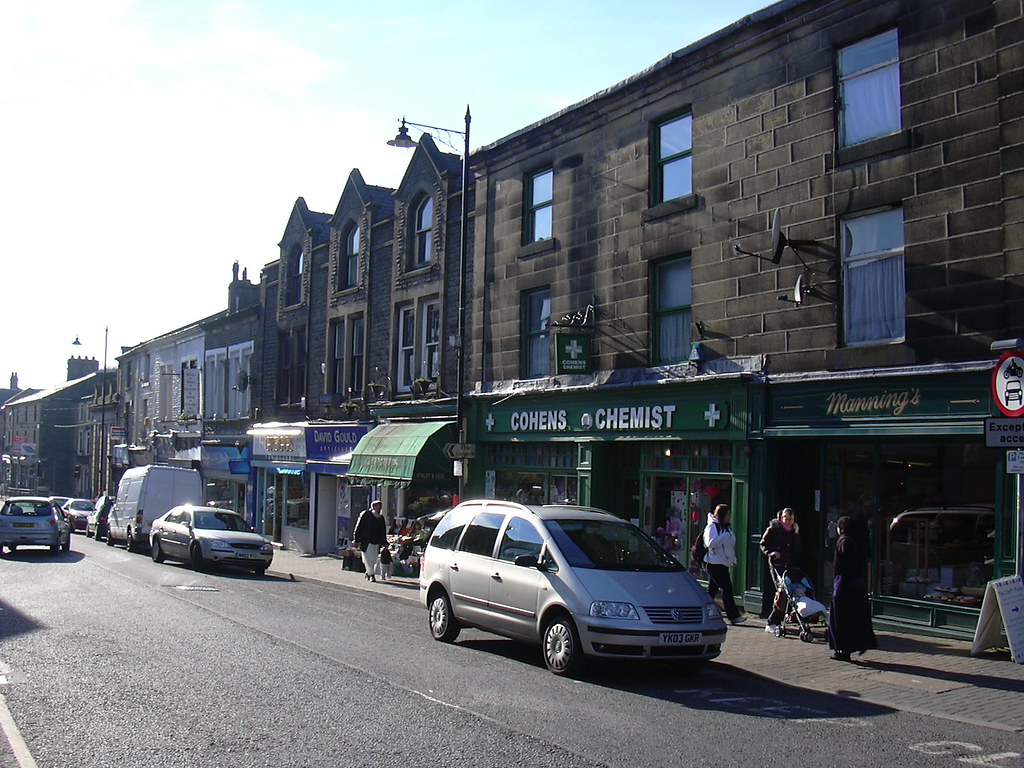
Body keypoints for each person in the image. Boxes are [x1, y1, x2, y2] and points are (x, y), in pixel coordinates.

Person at [827, 515, 878, 661]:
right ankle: (852, 646)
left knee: (840, 619)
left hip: (844, 585)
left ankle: (842, 650)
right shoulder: (857, 540)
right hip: (856, 586)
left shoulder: (844, 541)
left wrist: (839, 587)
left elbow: (844, 566)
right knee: (853, 618)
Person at [760, 507, 802, 634]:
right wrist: (771, 553)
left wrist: (796, 533)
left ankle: (783, 619)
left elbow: (798, 549)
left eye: (791, 519)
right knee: (782, 590)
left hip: (788, 564)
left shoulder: (793, 531)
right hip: (776, 564)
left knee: (792, 590)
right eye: (786, 519)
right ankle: (771, 621)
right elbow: (763, 543)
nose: (788, 522)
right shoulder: (774, 529)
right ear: (781, 518)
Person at [704, 503, 746, 625]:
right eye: (728, 514)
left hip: (723, 564)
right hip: (714, 563)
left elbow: (728, 547)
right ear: (722, 515)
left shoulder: (726, 528)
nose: (729, 517)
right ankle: (733, 616)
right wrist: (724, 536)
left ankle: (701, 611)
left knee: (711, 591)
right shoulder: (712, 526)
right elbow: (710, 543)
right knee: (727, 588)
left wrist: (732, 559)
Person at [353, 499, 387, 582]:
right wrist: (356, 539)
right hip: (367, 541)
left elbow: (383, 531)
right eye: (377, 506)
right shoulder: (366, 515)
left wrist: (384, 542)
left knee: (374, 559)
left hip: (376, 542)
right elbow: (359, 527)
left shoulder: (381, 517)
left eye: (380, 506)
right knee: (368, 559)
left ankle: (368, 572)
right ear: (373, 507)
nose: (378, 508)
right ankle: (372, 575)